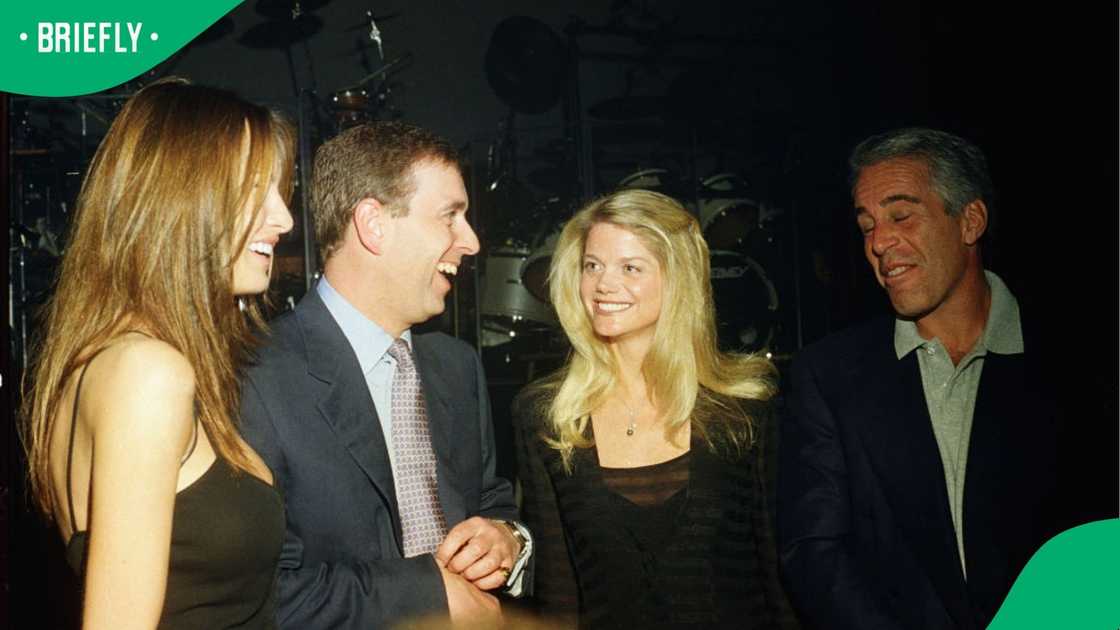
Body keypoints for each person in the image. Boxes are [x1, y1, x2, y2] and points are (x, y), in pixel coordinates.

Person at [777, 127, 1102, 630]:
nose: (880, 242)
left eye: (901, 215)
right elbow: (814, 552)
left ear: (970, 221)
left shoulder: (1082, 362)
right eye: (867, 226)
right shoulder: (829, 374)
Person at [19, 78, 295, 629]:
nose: (284, 218)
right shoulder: (147, 373)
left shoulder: (105, 361)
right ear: (180, 198)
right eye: (255, 189)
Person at [239, 121, 532, 629]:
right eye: (451, 217)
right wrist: (427, 597)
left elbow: (493, 501)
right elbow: (253, 597)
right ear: (373, 224)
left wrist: (507, 539)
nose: (472, 242)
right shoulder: (252, 374)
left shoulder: (456, 367)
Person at [513, 189, 797, 629]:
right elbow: (557, 589)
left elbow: (778, 576)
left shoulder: (744, 408)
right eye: (592, 266)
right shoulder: (548, 417)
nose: (603, 285)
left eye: (630, 267)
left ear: (677, 279)